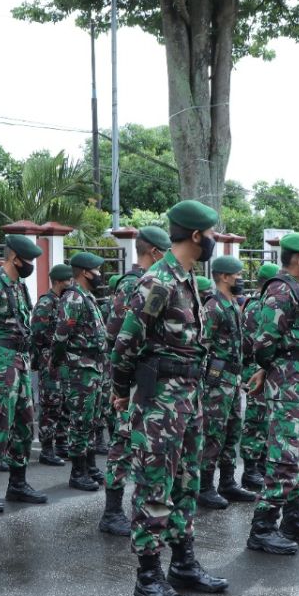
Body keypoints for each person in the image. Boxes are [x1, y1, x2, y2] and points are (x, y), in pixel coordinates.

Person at [110, 200, 228, 596]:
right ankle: (147, 576)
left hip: (187, 397)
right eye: (211, 234)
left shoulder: (189, 278)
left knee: (186, 482)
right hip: (159, 400)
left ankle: (183, 563)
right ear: (196, 236)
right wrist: (122, 389)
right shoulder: (158, 282)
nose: (214, 241)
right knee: (155, 485)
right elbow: (126, 341)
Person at [245, 231, 299, 553]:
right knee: (285, 457)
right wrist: (270, 369)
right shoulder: (281, 290)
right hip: (290, 386)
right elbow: (264, 342)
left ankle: (293, 517)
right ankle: (262, 527)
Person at [101, 226, 172, 536]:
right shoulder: (136, 284)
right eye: (166, 251)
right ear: (155, 252)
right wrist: (122, 383)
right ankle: (112, 511)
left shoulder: (156, 282)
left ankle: (135, 510)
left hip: (148, 378)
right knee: (123, 442)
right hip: (132, 378)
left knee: (141, 446)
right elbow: (118, 333)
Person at [0, 234, 48, 513]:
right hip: (0, 363)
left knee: (25, 426)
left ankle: (17, 483)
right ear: (15, 258)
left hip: (20, 362)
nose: (30, 265)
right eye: (28, 260)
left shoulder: (19, 287)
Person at [196, 254, 255, 509]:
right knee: (213, 434)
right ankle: (205, 486)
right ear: (223, 277)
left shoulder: (230, 303)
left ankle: (228, 482)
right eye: (237, 275)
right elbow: (202, 347)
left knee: (232, 431)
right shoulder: (213, 306)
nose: (240, 279)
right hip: (217, 382)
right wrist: (208, 383)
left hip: (232, 379)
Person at [52, 251, 109, 492]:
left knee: (92, 420)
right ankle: (78, 472)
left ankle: (90, 466)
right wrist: (60, 363)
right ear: (85, 272)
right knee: (80, 422)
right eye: (96, 270)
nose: (99, 274)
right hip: (80, 369)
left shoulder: (87, 297)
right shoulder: (74, 298)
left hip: (93, 367)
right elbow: (61, 335)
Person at [239, 261, 280, 490]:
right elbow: (252, 343)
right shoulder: (256, 307)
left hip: (266, 369)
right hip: (255, 369)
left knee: (267, 421)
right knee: (256, 420)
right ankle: (250, 469)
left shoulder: (265, 303)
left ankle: (262, 464)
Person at [30, 263, 74, 467]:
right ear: (57, 281)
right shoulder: (46, 304)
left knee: (64, 402)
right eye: (68, 280)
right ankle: (47, 449)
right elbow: (37, 334)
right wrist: (44, 357)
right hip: (50, 360)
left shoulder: (65, 301)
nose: (71, 284)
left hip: (64, 360)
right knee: (50, 405)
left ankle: (62, 443)